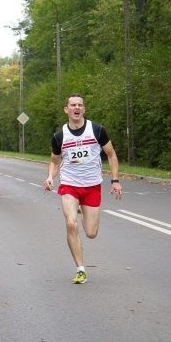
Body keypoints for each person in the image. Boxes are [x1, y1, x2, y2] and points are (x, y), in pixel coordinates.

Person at [43, 94, 122, 284]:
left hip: (92, 185)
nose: (76, 108)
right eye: (72, 105)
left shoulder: (97, 130)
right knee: (71, 224)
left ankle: (81, 208)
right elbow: (55, 161)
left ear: (83, 110)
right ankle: (80, 269)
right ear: (66, 110)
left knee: (91, 233)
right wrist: (50, 176)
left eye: (79, 105)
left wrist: (115, 180)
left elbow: (111, 154)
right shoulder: (59, 136)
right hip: (69, 185)